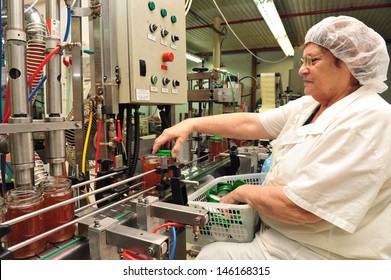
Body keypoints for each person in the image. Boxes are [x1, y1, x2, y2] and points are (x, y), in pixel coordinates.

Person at [152, 16, 391, 259]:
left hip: (322, 254)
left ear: (351, 62)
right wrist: (192, 123)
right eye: (303, 60)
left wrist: (244, 192)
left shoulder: (367, 119)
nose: (302, 69)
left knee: (210, 259)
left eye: (313, 60)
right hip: (283, 238)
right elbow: (252, 123)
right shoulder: (311, 104)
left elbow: (301, 208)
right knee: (211, 253)